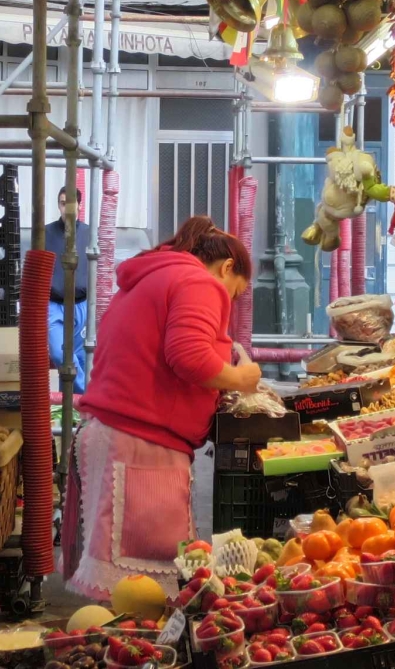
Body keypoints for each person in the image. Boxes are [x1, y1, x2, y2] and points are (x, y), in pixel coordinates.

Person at [62, 216, 261, 599]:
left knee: (123, 587)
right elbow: (189, 355)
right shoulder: (200, 283)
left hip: (112, 434)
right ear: (227, 268)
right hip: (141, 444)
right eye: (236, 293)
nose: (231, 301)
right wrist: (241, 378)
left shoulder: (151, 278)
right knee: (149, 590)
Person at [44, 186, 90, 394]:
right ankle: (89, 396)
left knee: (79, 357)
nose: (66, 209)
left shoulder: (89, 234)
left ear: (79, 206)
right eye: (63, 204)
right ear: (58, 206)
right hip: (54, 305)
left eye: (70, 204)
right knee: (60, 353)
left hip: (81, 304)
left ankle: (72, 406)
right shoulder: (45, 234)